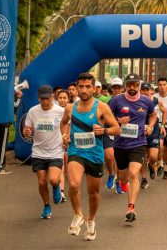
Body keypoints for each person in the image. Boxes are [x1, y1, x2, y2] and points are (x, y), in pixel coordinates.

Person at [61, 73, 120, 241]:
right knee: (73, 184)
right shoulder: (70, 108)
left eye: (88, 86)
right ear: (77, 88)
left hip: (95, 154)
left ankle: (91, 221)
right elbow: (64, 123)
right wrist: (64, 135)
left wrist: (105, 131)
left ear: (94, 88)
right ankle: (78, 214)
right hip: (76, 152)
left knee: (93, 193)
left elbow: (117, 128)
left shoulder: (101, 107)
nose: (84, 89)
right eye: (81, 86)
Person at [108, 73, 157, 222]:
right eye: (129, 84)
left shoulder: (146, 101)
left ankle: (131, 208)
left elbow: (154, 115)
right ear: (125, 86)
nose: (132, 87)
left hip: (138, 144)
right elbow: (105, 117)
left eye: (135, 84)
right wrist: (118, 120)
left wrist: (150, 127)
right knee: (124, 177)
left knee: (134, 174)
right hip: (120, 145)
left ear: (139, 86)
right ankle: (121, 182)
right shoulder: (116, 100)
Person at [23, 85, 65, 219]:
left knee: (53, 179)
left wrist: (65, 137)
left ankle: (56, 186)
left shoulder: (60, 111)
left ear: (52, 97)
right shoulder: (33, 111)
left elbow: (66, 125)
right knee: (42, 182)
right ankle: (46, 206)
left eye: (48, 98)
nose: (45, 101)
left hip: (55, 151)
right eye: (42, 99)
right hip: (38, 151)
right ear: (38, 98)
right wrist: (26, 131)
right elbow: (27, 128)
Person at [139, 82, 167, 188]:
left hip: (154, 131)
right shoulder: (137, 101)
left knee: (153, 156)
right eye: (143, 90)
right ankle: (144, 179)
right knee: (142, 156)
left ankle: (151, 165)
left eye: (147, 90)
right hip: (141, 131)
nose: (145, 92)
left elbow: (165, 112)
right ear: (140, 91)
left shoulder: (156, 101)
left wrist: (163, 125)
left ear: (151, 91)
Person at [57, 89, 70, 202]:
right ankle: (59, 190)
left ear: (68, 99)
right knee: (59, 166)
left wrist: (66, 137)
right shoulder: (53, 110)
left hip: (66, 140)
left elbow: (69, 126)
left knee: (62, 164)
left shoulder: (70, 110)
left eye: (64, 98)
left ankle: (61, 192)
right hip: (54, 142)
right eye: (60, 98)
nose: (62, 100)